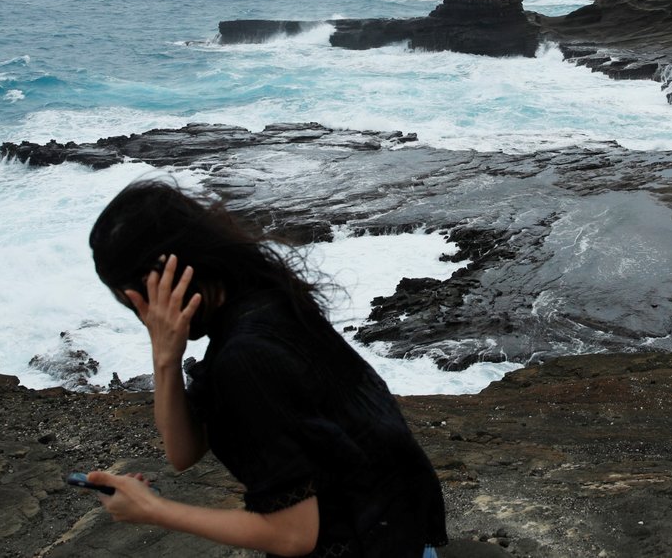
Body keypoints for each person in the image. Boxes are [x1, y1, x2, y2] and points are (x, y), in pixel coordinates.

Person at [85, 179, 448, 557]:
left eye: (135, 302)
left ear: (164, 280)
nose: (144, 315)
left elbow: (293, 535)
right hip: (395, 533)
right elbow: (183, 451)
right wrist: (165, 357)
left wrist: (153, 510)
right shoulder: (259, 301)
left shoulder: (246, 356)